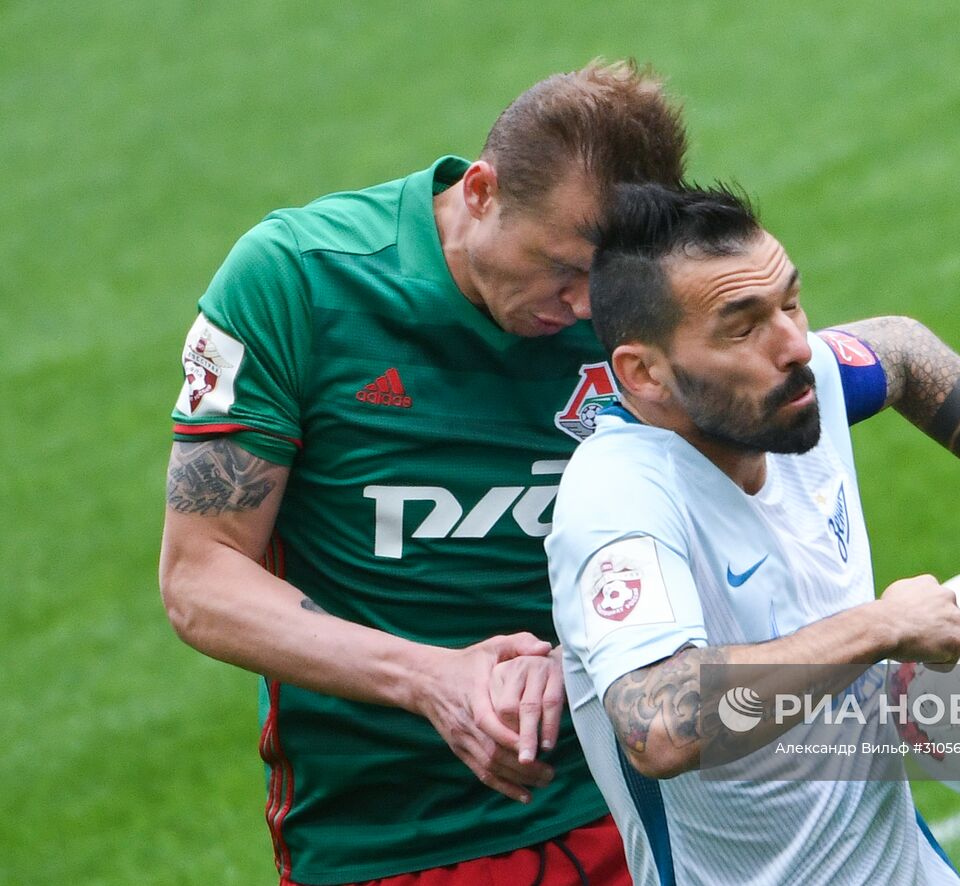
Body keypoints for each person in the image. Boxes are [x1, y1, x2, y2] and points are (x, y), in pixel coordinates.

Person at [159, 61, 688, 885]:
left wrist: (581, 661)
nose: (588, 309)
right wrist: (431, 679)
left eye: (609, 280)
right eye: (564, 267)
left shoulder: (651, 300)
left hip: (632, 806)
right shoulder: (296, 281)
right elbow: (200, 577)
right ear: (481, 191)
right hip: (390, 839)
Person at [546, 183, 960, 884]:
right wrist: (881, 629)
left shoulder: (794, 390)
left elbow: (905, 351)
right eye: (743, 328)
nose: (796, 345)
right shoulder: (620, 495)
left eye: (791, 303)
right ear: (645, 373)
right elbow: (657, 726)